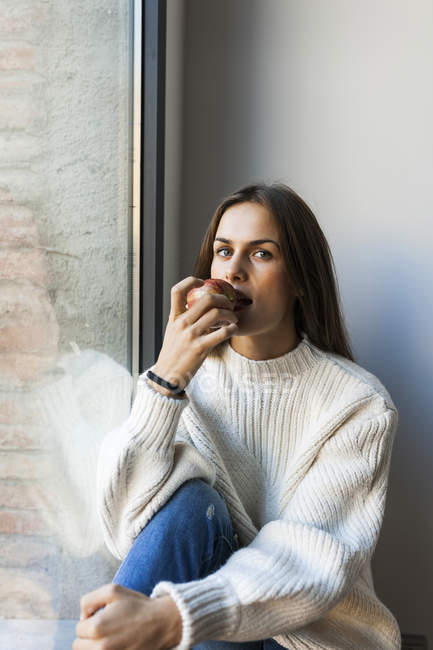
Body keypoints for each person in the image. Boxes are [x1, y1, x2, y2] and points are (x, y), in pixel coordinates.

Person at [73, 183, 401, 649]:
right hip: (212, 629)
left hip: (307, 639)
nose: (234, 270)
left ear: (302, 279)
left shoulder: (357, 404)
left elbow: (306, 561)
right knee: (188, 503)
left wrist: (174, 617)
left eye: (262, 254)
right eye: (223, 251)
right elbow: (127, 531)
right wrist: (166, 379)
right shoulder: (184, 382)